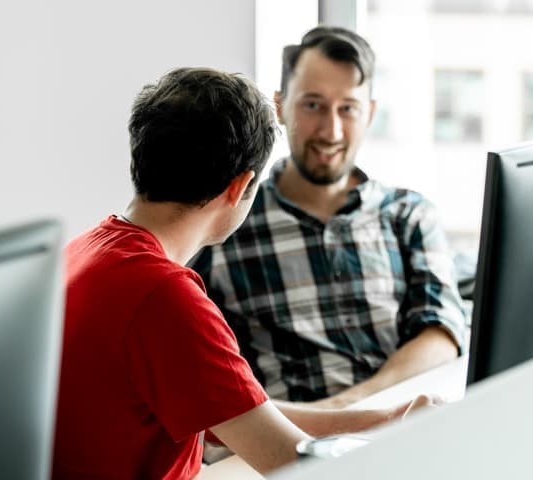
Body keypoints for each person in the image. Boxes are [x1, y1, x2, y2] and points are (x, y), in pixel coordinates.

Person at [52, 67, 433, 480]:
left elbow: (235, 414)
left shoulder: (87, 251)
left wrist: (387, 420)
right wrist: (414, 446)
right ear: (239, 187)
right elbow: (296, 465)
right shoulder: (165, 296)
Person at [191, 26, 467, 409]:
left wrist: (350, 409)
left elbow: (442, 336)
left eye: (348, 109)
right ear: (280, 107)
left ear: (369, 113)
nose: (331, 130)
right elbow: (202, 376)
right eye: (313, 105)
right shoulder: (228, 224)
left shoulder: (409, 215)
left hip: (405, 428)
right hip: (295, 453)